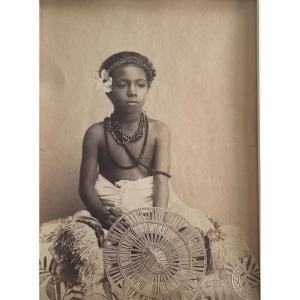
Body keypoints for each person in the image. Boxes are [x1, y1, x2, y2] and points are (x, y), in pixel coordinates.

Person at [40, 51, 259, 300]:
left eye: (140, 85)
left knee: (195, 243)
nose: (132, 92)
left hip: (156, 208)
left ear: (148, 88)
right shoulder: (96, 133)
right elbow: (85, 187)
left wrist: (158, 223)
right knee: (79, 247)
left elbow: (161, 182)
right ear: (107, 88)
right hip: (110, 212)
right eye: (123, 85)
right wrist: (104, 217)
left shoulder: (159, 131)